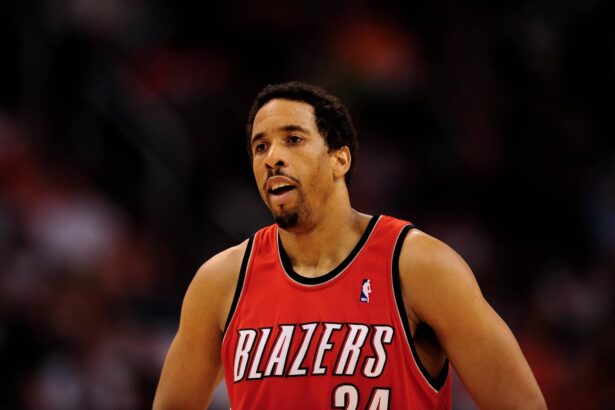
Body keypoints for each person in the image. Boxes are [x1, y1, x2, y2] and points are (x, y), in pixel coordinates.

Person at [153, 81, 546, 409]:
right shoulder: (221, 282)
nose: (273, 158)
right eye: (261, 147)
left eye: (293, 139)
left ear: (339, 160)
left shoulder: (418, 266)